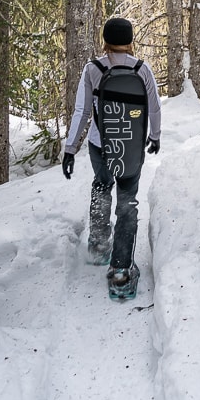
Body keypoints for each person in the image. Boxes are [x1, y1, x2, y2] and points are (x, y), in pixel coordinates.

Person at [62, 17, 161, 297]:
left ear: (105, 40)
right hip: (130, 146)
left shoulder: (92, 69)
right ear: (130, 41)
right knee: (127, 201)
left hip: (99, 144)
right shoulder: (143, 70)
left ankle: (98, 244)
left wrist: (70, 149)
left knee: (102, 185)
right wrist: (155, 136)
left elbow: (81, 112)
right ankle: (121, 271)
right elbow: (154, 109)